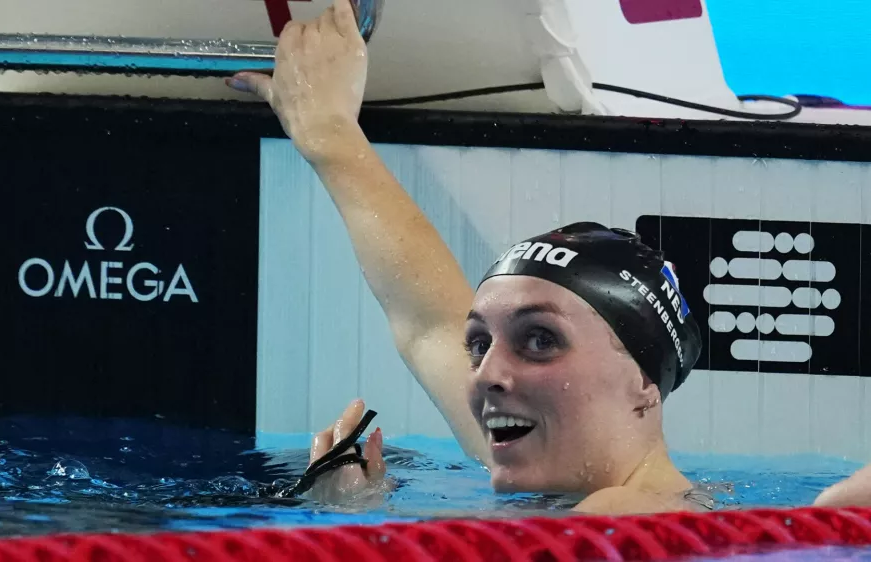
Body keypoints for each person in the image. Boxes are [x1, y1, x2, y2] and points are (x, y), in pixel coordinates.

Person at [225, 0, 871, 514]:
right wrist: (330, 134)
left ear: (643, 384)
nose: (483, 376)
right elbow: (424, 318)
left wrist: (355, 528)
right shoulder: (553, 450)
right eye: (480, 344)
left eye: (539, 341)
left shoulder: (627, 517)